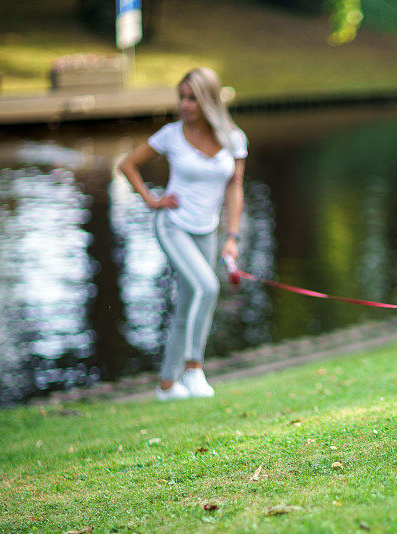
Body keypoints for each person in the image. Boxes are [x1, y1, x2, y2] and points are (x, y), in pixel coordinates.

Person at [118, 67, 247, 401]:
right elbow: (127, 165)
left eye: (193, 98)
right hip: (172, 225)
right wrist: (151, 199)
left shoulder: (233, 139)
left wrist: (231, 236)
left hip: (208, 231)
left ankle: (166, 385)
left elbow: (235, 188)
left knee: (189, 301)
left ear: (209, 99)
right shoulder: (170, 135)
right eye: (183, 97)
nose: (186, 105)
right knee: (208, 286)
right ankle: (193, 370)